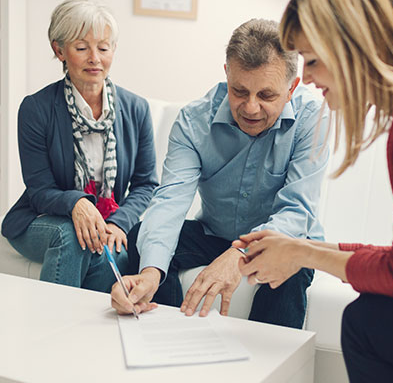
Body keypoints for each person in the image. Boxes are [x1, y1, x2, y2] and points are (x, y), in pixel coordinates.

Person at [236, 0, 393, 382]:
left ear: (353, 43)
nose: (309, 77)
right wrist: (297, 247)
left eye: (313, 60)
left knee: (367, 322)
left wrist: (302, 255)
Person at [111, 19, 329, 329]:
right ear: (227, 74)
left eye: (266, 96)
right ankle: (166, 345)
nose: (251, 108)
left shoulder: (313, 119)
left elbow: (297, 211)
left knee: (290, 269)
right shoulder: (193, 121)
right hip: (214, 234)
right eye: (240, 91)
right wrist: (150, 274)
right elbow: (170, 200)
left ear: (291, 88)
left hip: (283, 239)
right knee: (141, 241)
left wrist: (239, 254)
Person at [1, 0, 158, 293]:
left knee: (111, 253)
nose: (94, 59)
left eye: (103, 47)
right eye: (82, 48)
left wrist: (119, 223)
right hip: (42, 219)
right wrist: (76, 204)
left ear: (113, 50)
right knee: (72, 237)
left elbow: (146, 184)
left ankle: (84, 337)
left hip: (109, 222)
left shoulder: (136, 109)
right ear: (59, 50)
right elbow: (39, 189)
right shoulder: (36, 108)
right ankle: (54, 331)